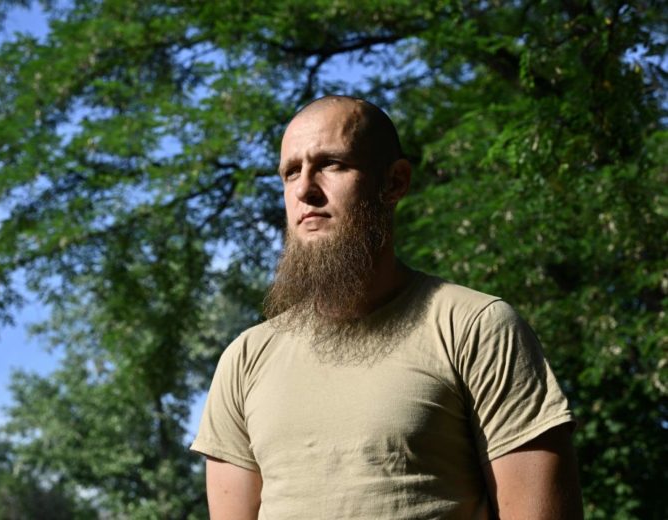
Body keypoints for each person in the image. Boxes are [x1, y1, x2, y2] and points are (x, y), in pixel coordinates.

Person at [191, 95, 583, 519]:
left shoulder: (475, 328)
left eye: (331, 164)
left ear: (394, 182)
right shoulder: (245, 359)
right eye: (290, 173)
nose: (305, 189)